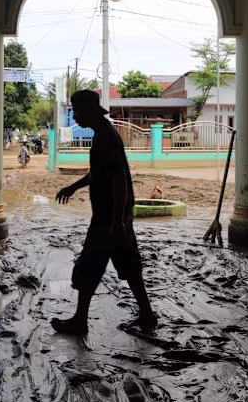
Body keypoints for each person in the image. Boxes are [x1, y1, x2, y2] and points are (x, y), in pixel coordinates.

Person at [52, 90, 157, 334]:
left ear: (88, 110)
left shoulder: (105, 137)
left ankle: (80, 321)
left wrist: (117, 221)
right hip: (116, 216)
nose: (75, 116)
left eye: (76, 111)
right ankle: (146, 314)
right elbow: (99, 174)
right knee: (129, 264)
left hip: (108, 218)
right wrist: (74, 187)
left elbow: (119, 178)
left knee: (89, 265)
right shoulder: (103, 134)